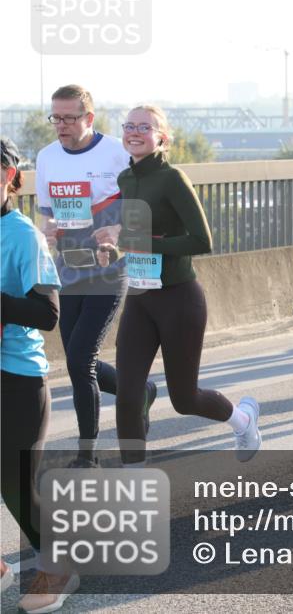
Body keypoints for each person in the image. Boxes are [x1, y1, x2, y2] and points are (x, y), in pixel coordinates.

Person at [95, 106, 262, 464]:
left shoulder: (173, 178)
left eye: (145, 126)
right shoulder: (126, 178)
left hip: (179, 299)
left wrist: (140, 243)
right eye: (129, 126)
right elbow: (139, 233)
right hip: (140, 297)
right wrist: (116, 244)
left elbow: (202, 241)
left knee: (184, 399)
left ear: (162, 138)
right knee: (127, 395)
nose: (134, 132)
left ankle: (243, 419)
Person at [35, 84, 156, 468]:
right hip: (67, 270)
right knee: (75, 359)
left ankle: (87, 455)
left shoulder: (117, 153)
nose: (61, 125)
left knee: (80, 358)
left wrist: (120, 232)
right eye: (56, 117)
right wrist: (47, 231)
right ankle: (141, 391)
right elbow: (46, 214)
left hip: (109, 268)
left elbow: (144, 208)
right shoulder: (46, 157)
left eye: (69, 118)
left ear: (89, 118)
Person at [1, 137, 80, 613]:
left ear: (12, 178)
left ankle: (59, 566)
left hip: (16, 377)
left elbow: (47, 313)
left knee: (15, 487)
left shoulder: (22, 233)